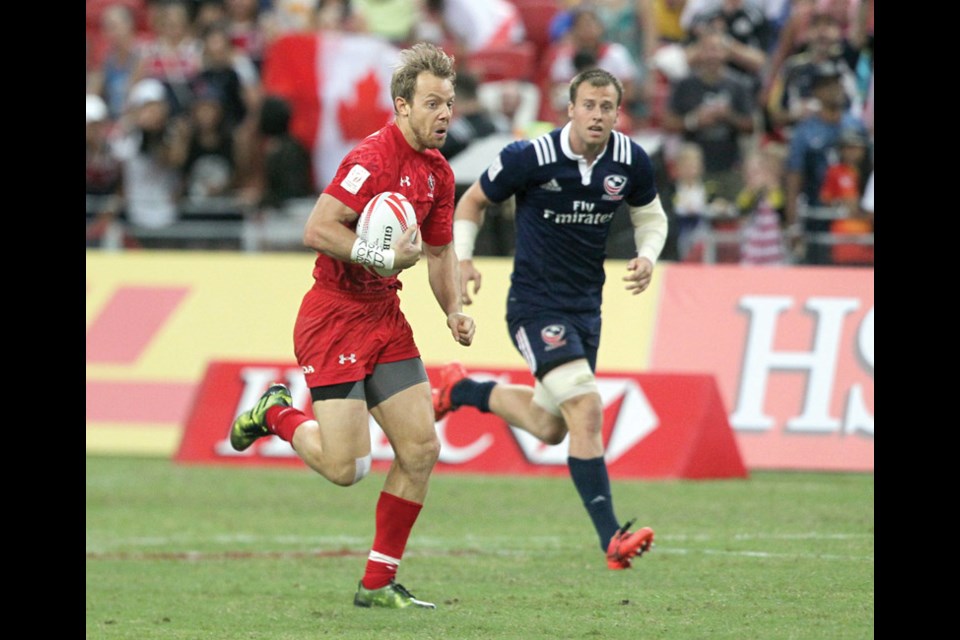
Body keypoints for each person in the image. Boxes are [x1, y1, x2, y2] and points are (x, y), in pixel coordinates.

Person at [228, 42, 475, 610]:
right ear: (402, 106)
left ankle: (378, 583)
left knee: (420, 450)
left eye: (450, 103)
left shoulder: (438, 173)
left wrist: (454, 309)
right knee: (346, 468)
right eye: (433, 103)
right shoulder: (371, 159)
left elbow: (439, 254)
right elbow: (318, 229)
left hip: (384, 317)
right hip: (334, 316)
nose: (444, 114)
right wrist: (378, 256)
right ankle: (277, 413)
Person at [433, 68, 664, 571]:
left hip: (586, 308)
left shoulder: (630, 160)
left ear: (617, 113)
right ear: (571, 108)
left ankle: (459, 390)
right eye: (589, 105)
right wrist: (465, 258)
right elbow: (472, 202)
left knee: (550, 426)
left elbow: (651, 216)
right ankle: (612, 539)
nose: (598, 115)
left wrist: (647, 254)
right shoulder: (530, 157)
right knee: (585, 407)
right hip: (535, 306)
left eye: (607, 107)